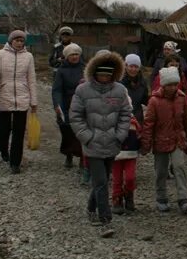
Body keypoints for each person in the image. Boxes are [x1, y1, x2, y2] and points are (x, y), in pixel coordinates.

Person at [69, 50, 133, 235]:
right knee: (102, 182)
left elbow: (125, 114)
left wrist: (120, 135)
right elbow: (75, 116)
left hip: (112, 143)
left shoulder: (120, 90)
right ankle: (106, 219)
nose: (104, 78)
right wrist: (87, 136)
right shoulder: (83, 90)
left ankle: (90, 209)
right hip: (92, 144)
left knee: (102, 180)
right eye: (101, 74)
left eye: (108, 74)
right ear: (95, 73)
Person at [141, 67, 187, 215]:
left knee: (179, 167)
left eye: (175, 84)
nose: (172, 87)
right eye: (169, 84)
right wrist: (146, 144)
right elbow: (148, 124)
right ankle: (161, 197)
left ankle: (183, 198)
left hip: (177, 139)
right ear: (163, 85)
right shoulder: (154, 101)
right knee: (161, 171)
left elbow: (186, 122)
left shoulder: (181, 98)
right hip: (160, 140)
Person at [0, 30, 38, 174]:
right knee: (4, 130)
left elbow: (32, 80)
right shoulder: (1, 54)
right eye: (17, 40)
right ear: (11, 41)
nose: (19, 43)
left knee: (19, 133)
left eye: (22, 41)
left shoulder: (28, 56)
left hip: (22, 98)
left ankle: (15, 163)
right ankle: (3, 150)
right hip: (4, 97)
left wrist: (34, 102)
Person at [52, 43, 85, 170]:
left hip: (82, 104)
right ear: (67, 56)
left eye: (77, 54)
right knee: (67, 130)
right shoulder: (61, 70)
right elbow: (57, 90)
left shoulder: (84, 68)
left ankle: (83, 158)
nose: (75, 57)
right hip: (66, 103)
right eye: (72, 55)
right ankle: (68, 154)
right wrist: (57, 105)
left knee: (82, 131)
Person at [111, 115, 142, 214]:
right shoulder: (111, 121)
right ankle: (117, 199)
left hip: (131, 154)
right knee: (117, 179)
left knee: (130, 177)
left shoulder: (133, 122)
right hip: (115, 155)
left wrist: (141, 146)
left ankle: (129, 194)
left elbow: (140, 135)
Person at [121, 53, 149, 123]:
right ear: (126, 66)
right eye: (131, 66)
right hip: (122, 118)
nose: (133, 69)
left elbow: (145, 100)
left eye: (136, 67)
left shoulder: (142, 83)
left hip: (137, 118)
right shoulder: (119, 82)